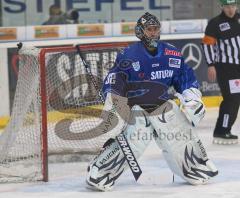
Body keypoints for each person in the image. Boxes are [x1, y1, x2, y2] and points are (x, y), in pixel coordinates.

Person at [86, 12, 218, 191]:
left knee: (178, 132)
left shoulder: (171, 52)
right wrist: (113, 99)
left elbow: (185, 78)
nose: (154, 33)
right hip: (136, 108)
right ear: (140, 32)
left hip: (161, 105)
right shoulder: (129, 55)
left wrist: (192, 98)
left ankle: (196, 168)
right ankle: (100, 171)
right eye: (149, 30)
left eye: (156, 29)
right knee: (136, 138)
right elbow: (115, 80)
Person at [202, 0, 240, 145]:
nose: (230, 9)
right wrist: (211, 65)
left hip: (237, 67)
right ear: (221, 7)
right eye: (227, 6)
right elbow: (207, 45)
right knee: (232, 99)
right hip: (226, 67)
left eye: (233, 6)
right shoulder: (215, 23)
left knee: (234, 99)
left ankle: (223, 130)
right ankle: (222, 131)